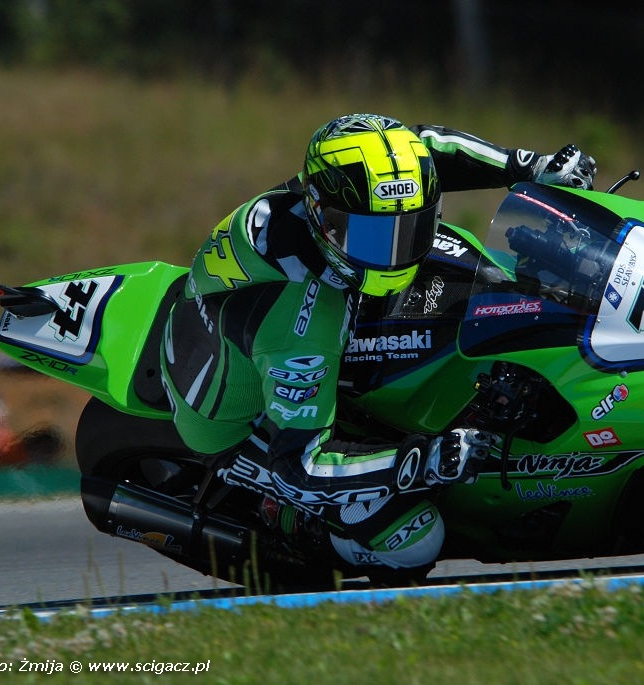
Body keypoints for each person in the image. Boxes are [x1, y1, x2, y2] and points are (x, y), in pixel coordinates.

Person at [159, 113, 596, 577]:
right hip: (243, 423)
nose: (394, 254)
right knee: (416, 541)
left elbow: (424, 149)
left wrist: (528, 165)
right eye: (372, 238)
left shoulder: (334, 192)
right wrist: (420, 460)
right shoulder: (303, 328)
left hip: (244, 325)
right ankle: (291, 521)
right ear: (322, 219)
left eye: (410, 229)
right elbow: (300, 465)